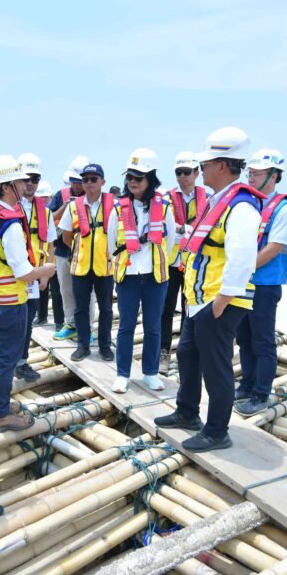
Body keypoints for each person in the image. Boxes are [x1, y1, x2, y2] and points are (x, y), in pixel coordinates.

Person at [153, 126, 261, 452]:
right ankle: (187, 412)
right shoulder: (219, 200)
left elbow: (242, 258)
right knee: (187, 355)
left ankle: (217, 431)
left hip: (218, 299)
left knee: (216, 367)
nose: (201, 170)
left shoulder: (240, 206)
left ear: (224, 165)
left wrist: (223, 299)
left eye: (207, 163)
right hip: (199, 298)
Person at [0, 155, 56, 431]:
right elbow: (23, 271)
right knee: (5, 359)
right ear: (7, 186)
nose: (24, 186)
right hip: (10, 300)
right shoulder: (11, 223)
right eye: (19, 181)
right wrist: (46, 270)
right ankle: (1, 413)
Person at [234, 148, 287, 415]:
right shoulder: (250, 202)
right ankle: (247, 384)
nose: (251, 177)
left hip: (265, 284)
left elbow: (274, 247)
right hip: (245, 281)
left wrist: (244, 268)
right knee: (244, 337)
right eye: (250, 172)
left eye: (257, 173)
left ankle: (262, 393)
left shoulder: (284, 209)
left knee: (262, 340)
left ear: (274, 176)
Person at [107, 148, 176, 393]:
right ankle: (122, 374)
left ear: (151, 179)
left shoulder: (165, 207)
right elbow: (112, 241)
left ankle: (150, 372)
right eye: (130, 177)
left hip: (155, 276)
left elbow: (169, 241)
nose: (133, 182)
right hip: (128, 275)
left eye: (138, 177)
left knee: (153, 326)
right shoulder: (118, 209)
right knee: (126, 326)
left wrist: (156, 262)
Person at [61, 163, 116, 361]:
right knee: (80, 309)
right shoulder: (74, 206)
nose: (89, 183)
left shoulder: (115, 204)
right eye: (85, 180)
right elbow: (67, 236)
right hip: (81, 266)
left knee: (107, 309)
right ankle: (83, 346)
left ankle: (105, 346)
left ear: (103, 181)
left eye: (94, 179)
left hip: (106, 267)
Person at [160, 151, 208, 375]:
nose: (182, 177)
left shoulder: (207, 197)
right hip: (171, 262)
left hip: (194, 263)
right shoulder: (166, 197)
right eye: (179, 172)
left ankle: (185, 354)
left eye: (187, 172)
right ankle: (163, 352)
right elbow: (160, 223)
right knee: (166, 310)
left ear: (197, 173)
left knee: (189, 310)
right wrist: (180, 228)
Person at [16, 153, 57, 382]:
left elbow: (50, 243)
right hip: (12, 276)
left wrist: (46, 275)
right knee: (12, 321)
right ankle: (7, 362)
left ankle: (21, 362)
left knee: (28, 320)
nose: (30, 183)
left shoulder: (45, 211)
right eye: (27, 178)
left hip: (34, 275)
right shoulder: (9, 207)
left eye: (35, 179)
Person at [49, 155, 89, 339]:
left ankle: (86, 327)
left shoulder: (94, 198)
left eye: (79, 181)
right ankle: (71, 324)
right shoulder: (60, 195)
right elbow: (48, 220)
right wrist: (66, 206)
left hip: (86, 253)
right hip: (63, 251)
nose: (76, 185)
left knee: (88, 293)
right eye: (73, 181)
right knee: (66, 289)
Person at [35, 179, 62, 326]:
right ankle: (41, 316)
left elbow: (58, 235)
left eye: (46, 197)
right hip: (41, 256)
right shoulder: (36, 214)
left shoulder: (54, 215)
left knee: (56, 292)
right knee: (41, 289)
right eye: (41, 197)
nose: (44, 200)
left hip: (55, 257)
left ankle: (59, 321)